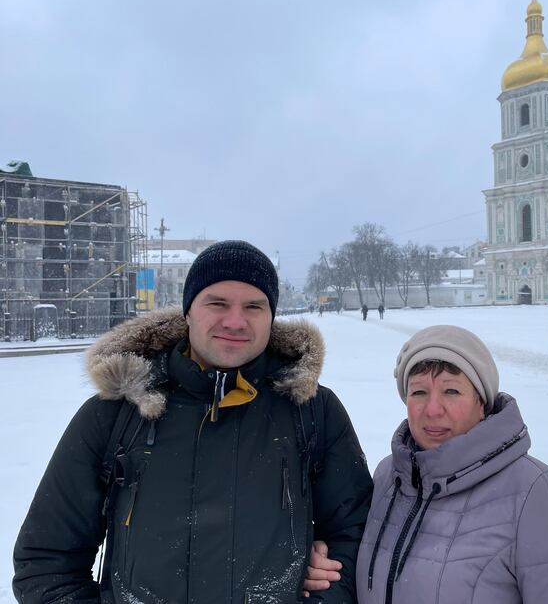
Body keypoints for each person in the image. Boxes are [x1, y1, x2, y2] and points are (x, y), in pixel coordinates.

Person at [13, 240, 373, 604]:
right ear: (187, 312)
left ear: (271, 316)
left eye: (254, 306)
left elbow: (355, 536)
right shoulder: (116, 412)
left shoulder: (312, 409)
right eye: (217, 303)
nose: (235, 321)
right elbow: (47, 562)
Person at [306, 325, 548, 603]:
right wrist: (322, 562)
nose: (433, 409)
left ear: (481, 401)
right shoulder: (390, 477)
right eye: (419, 392)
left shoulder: (537, 492)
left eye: (451, 390)